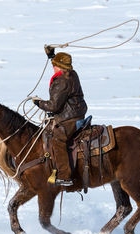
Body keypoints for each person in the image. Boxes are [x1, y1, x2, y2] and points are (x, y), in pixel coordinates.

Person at [33, 51, 87, 186]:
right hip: (77, 113)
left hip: (70, 118)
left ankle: (64, 176)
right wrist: (52, 56)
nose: (53, 67)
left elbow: (53, 106)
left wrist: (38, 103)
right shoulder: (72, 74)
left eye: (54, 64)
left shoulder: (62, 81)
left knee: (58, 140)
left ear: (59, 66)